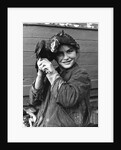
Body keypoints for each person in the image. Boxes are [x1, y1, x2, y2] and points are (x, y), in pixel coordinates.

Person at [28, 30, 91, 127]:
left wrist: (51, 73)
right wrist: (40, 74)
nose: (66, 57)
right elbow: (34, 101)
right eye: (60, 54)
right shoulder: (54, 73)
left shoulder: (81, 75)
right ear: (55, 57)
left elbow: (67, 99)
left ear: (76, 52)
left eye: (69, 51)